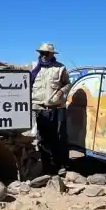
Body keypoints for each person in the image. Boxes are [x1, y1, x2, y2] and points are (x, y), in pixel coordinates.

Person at [30, 42, 71, 174]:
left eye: (46, 53)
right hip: (37, 107)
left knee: (58, 138)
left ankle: (60, 165)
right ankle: (45, 166)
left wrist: (60, 92)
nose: (44, 55)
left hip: (55, 107)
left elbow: (67, 84)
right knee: (40, 137)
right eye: (42, 53)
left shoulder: (60, 68)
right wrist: (1, 63)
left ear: (52, 54)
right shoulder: (33, 66)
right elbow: (17, 70)